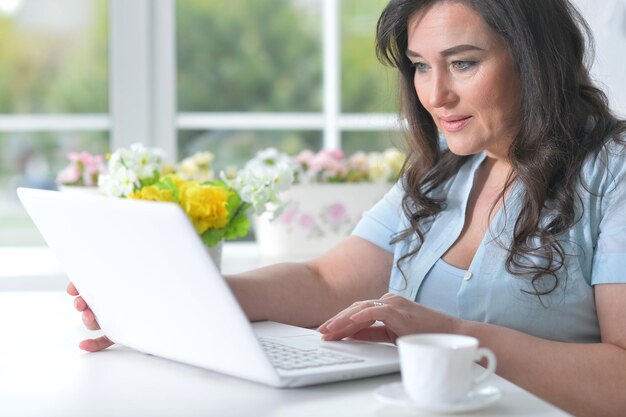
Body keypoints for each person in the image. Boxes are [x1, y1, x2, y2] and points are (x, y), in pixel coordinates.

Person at [67, 1, 626, 416]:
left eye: (462, 63)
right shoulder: (451, 167)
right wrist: (176, 296)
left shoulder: (614, 174)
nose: (434, 96)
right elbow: (326, 280)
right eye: (420, 66)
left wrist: (451, 334)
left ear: (536, 60)